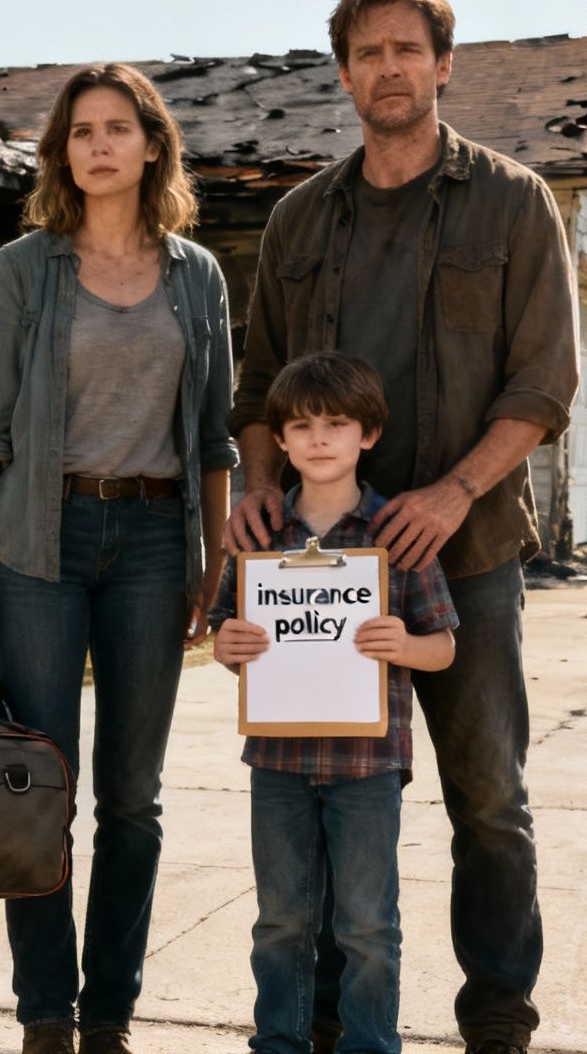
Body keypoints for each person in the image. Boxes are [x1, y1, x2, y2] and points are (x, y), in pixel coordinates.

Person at [226, 0, 580, 1054]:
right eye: (369, 52)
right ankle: (329, 1025)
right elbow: (258, 386)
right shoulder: (298, 219)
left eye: (407, 49)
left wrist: (454, 490)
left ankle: (497, 1020)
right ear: (344, 74)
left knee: (489, 799)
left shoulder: (513, 202)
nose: (389, 68)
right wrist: (255, 486)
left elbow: (543, 383)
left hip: (461, 555)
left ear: (443, 64)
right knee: (326, 798)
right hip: (321, 568)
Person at [0, 63, 237, 1054]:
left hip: (154, 542)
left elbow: (213, 439)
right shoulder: (24, 270)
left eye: (117, 128)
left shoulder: (197, 277)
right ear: (61, 153)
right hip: (38, 541)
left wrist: (212, 559)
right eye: (80, 131)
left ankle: (108, 1016)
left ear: (153, 146)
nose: (98, 145)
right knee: (35, 785)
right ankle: (45, 1016)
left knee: (132, 800)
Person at [211, 351, 459, 1054]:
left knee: (367, 925)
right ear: (280, 440)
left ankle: (370, 1044)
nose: (319, 438)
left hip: (367, 766)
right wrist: (229, 647)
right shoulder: (260, 539)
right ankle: (279, 1042)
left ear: (368, 434)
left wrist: (403, 645)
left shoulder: (395, 536)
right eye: (302, 425)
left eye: (337, 424)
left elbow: (444, 647)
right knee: (280, 921)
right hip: (276, 762)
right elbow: (229, 637)